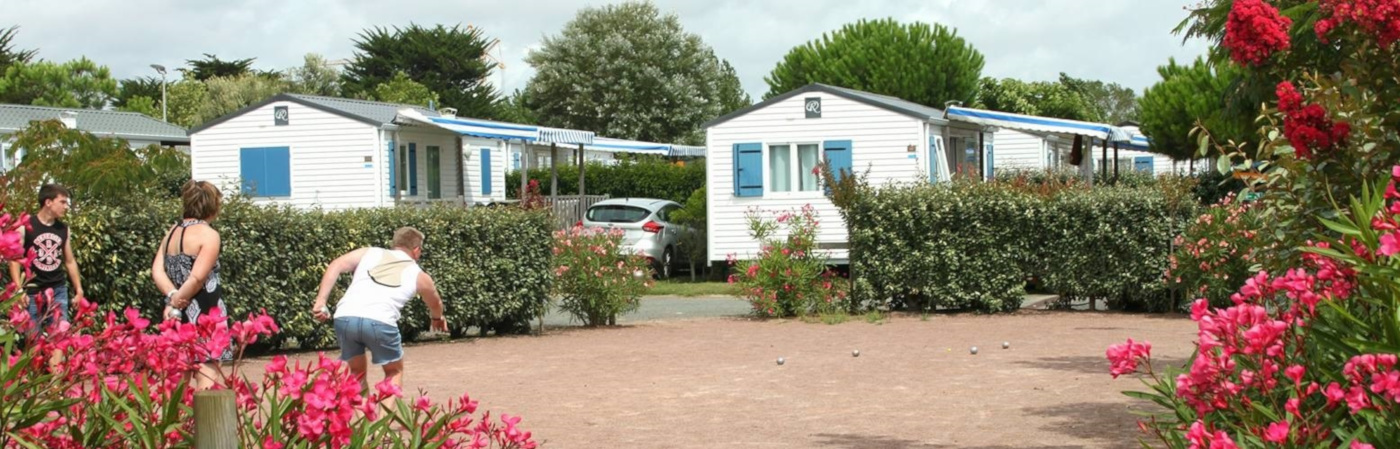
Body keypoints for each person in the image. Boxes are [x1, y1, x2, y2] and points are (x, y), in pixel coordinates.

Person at [312, 226, 446, 392]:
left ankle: (362, 418)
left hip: (345, 316)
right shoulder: (419, 275)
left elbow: (336, 264)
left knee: (356, 373)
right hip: (380, 321)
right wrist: (437, 319)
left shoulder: (369, 252)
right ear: (417, 250)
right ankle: (384, 418)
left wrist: (321, 300)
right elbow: (435, 303)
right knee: (394, 372)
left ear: (394, 244)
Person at [151, 180, 230, 390]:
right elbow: (197, 278)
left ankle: (176, 422)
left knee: (177, 382)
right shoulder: (209, 235)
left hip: (175, 316)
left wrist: (172, 298)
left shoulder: (172, 232)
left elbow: (157, 270)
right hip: (206, 313)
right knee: (207, 375)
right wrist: (177, 302)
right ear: (212, 206)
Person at [8, 184, 84, 336]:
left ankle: (57, 362)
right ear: (48, 202)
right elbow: (14, 260)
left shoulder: (63, 229)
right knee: (33, 338)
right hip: (31, 291)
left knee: (59, 335)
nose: (66, 207)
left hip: (58, 289)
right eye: (62, 202)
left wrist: (79, 289)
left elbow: (69, 261)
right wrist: (18, 289)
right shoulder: (25, 227)